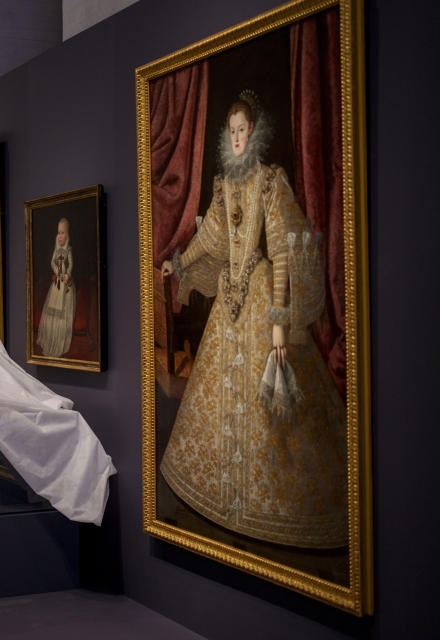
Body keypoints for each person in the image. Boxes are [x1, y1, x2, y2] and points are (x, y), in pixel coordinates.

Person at [158, 92, 347, 548]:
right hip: (229, 300)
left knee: (277, 415)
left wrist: (280, 322)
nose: (238, 137)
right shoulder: (224, 186)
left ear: (255, 133)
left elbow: (282, 252)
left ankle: (265, 508)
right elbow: (210, 237)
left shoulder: (270, 182)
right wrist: (180, 263)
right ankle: (220, 497)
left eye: (244, 130)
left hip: (262, 299)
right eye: (232, 131)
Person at [36, 217, 75, 357]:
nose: (60, 236)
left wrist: (67, 274)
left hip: (65, 284)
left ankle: (59, 341)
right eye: (58, 232)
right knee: (52, 308)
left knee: (62, 313)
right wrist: (55, 270)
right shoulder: (56, 250)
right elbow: (53, 262)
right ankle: (49, 339)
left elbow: (70, 265)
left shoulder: (68, 250)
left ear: (68, 235)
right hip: (57, 283)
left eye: (63, 232)